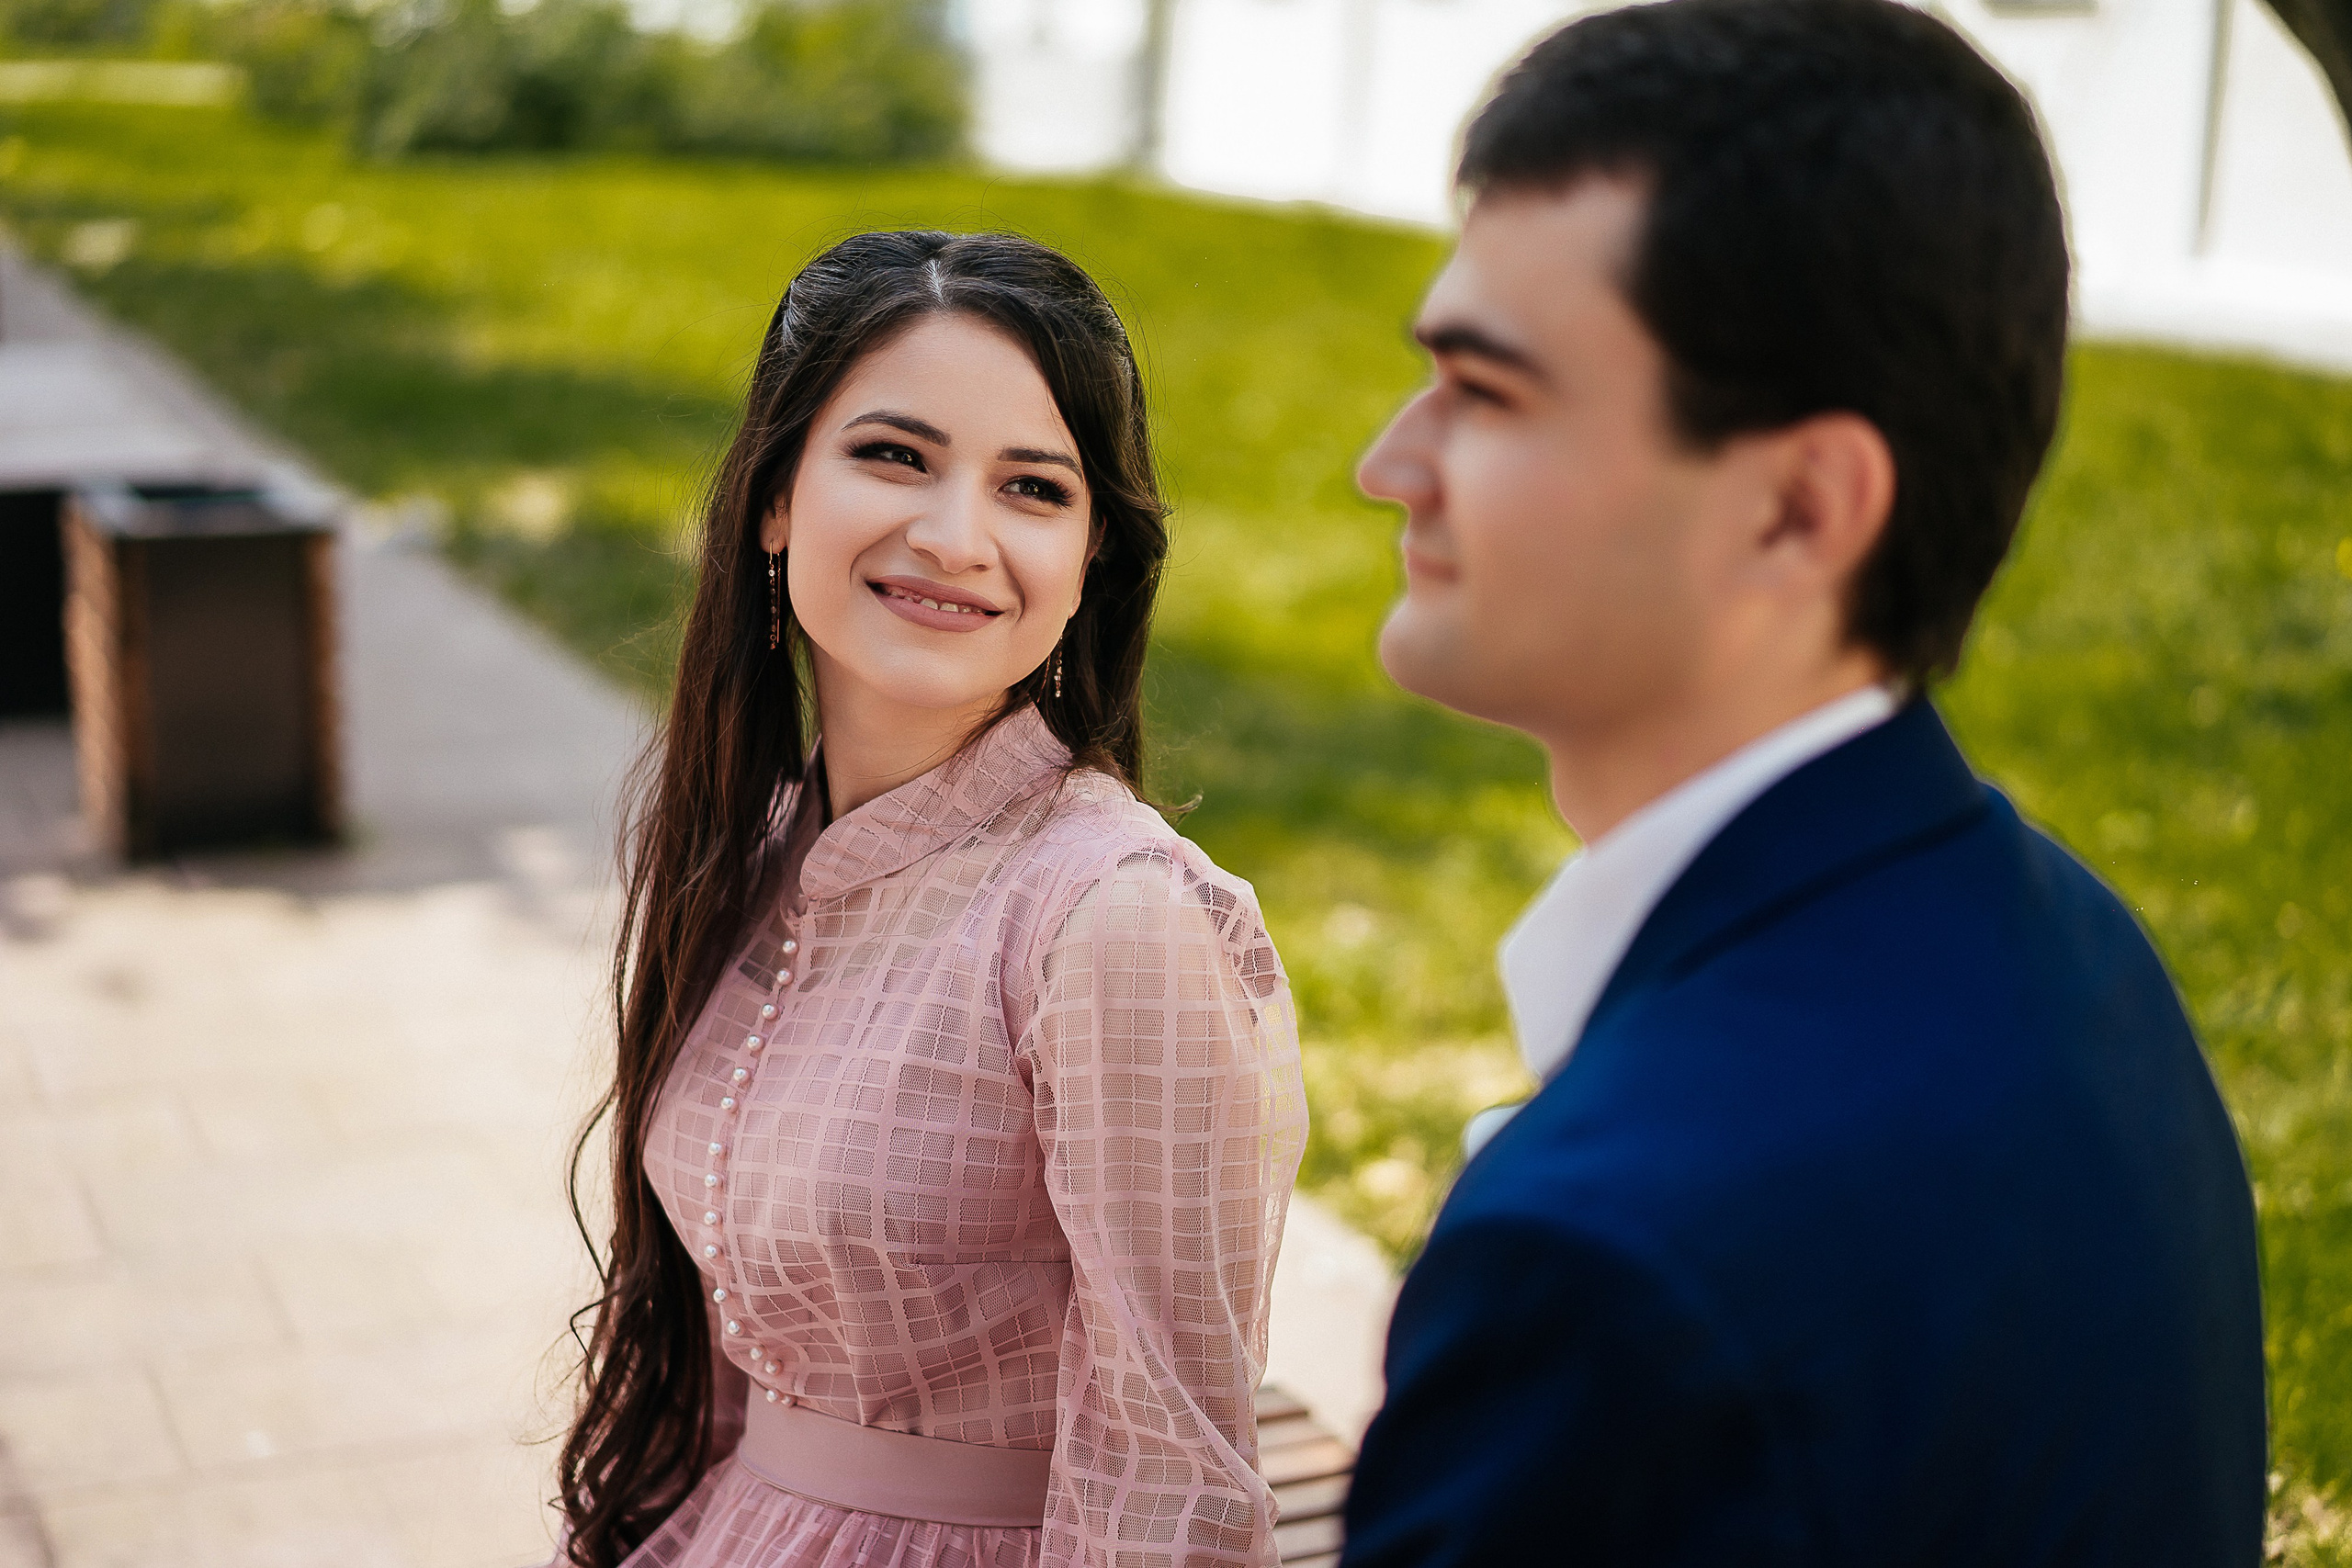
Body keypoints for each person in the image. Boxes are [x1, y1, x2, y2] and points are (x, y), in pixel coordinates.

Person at [1337, 2, 2267, 1563]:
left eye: (1487, 395)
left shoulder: (1610, 1261)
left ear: (1799, 509)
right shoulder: (2075, 951)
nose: (1390, 461)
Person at [555, 231, 1308, 1568]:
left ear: (1091, 563)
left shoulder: (1109, 919)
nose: (956, 539)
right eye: (895, 456)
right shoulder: (756, 849)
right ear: (776, 499)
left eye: (1032, 487)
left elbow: (1171, 1483)